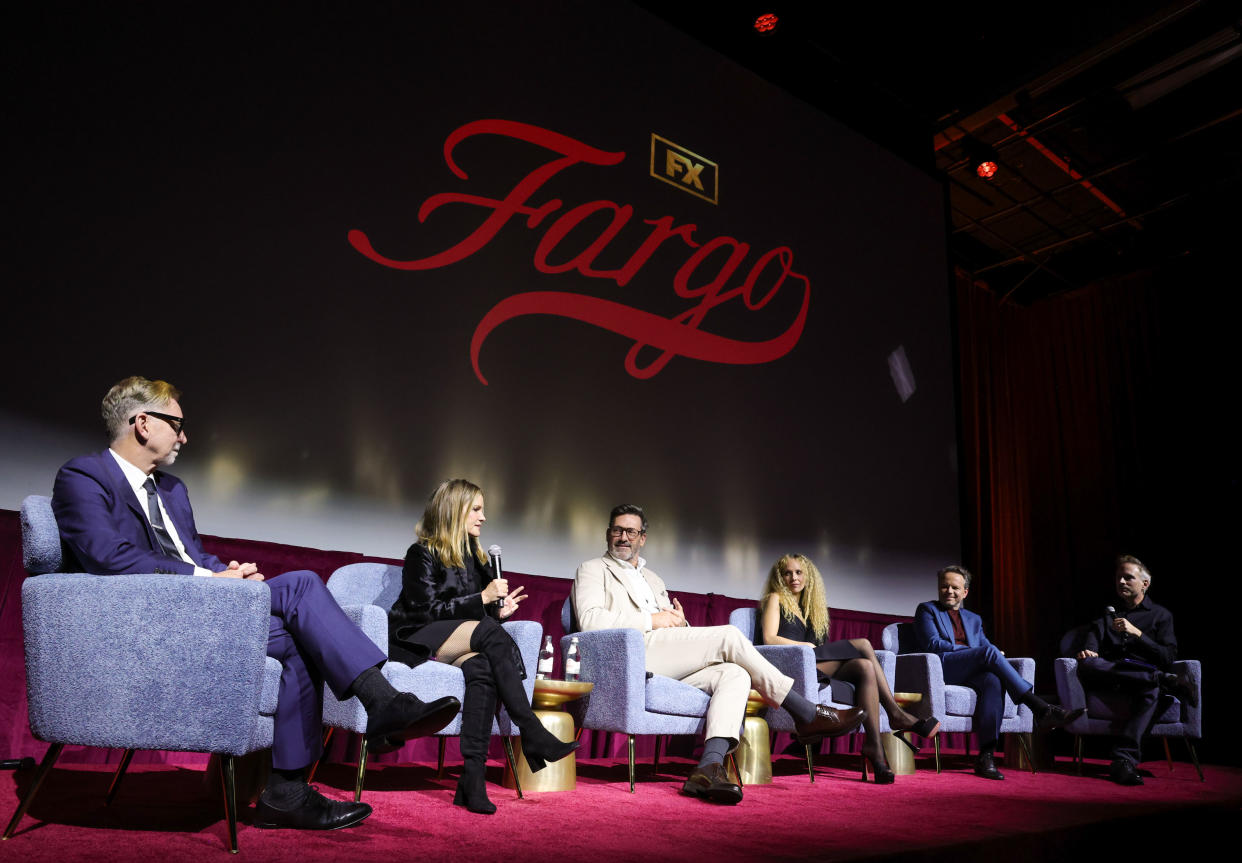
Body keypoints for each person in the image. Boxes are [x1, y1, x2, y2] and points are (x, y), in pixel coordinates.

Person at [51, 376, 461, 830]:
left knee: (300, 637)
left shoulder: (171, 490)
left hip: (203, 609)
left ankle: (288, 791)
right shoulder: (84, 476)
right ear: (142, 423)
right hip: (146, 623)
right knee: (303, 583)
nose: (185, 436)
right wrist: (210, 577)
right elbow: (107, 556)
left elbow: (190, 553)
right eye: (177, 424)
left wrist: (228, 571)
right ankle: (382, 704)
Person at [572, 504, 865, 805]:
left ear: (642, 538)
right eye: (617, 530)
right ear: (608, 534)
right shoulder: (592, 569)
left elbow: (672, 628)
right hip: (629, 655)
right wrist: (653, 621)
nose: (623, 537)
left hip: (663, 653)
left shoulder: (653, 579)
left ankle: (708, 767)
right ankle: (805, 712)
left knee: (735, 673)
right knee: (728, 635)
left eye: (631, 532)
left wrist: (680, 621)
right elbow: (590, 621)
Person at [389, 479, 578, 814]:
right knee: (489, 635)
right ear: (454, 510)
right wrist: (482, 599)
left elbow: (478, 617)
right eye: (476, 509)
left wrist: (497, 610)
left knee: (483, 669)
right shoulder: (421, 554)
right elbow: (424, 610)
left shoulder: (477, 560)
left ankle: (471, 779)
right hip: (416, 636)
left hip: (458, 640)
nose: (483, 517)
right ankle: (530, 729)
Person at [759, 553, 940, 783]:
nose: (793, 577)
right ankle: (895, 713)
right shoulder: (776, 598)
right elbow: (769, 638)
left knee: (865, 667)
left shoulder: (812, 607)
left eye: (798, 572)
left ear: (809, 576)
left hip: (813, 666)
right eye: (787, 573)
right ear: (779, 576)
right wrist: (803, 645)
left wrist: (811, 647)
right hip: (790, 665)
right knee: (864, 644)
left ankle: (875, 748)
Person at [914, 565, 1082, 780]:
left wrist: (989, 652)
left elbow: (986, 646)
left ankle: (986, 756)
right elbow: (933, 644)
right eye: (944, 586)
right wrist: (981, 652)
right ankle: (1038, 707)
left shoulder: (974, 619)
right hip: (942, 666)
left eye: (955, 587)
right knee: (990, 654)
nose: (949, 591)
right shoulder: (927, 610)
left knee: (993, 680)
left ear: (965, 592)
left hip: (971, 669)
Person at [1074, 555, 1194, 786]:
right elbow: (1090, 647)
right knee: (1089, 664)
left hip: (1141, 680)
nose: (1121, 582)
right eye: (1119, 577)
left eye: (1128, 577)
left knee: (1149, 689)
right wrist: (1087, 652)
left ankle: (1123, 761)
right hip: (1114, 677)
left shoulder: (1161, 616)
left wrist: (1137, 634)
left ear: (1145, 584)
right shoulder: (1106, 615)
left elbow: (1168, 656)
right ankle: (1161, 679)